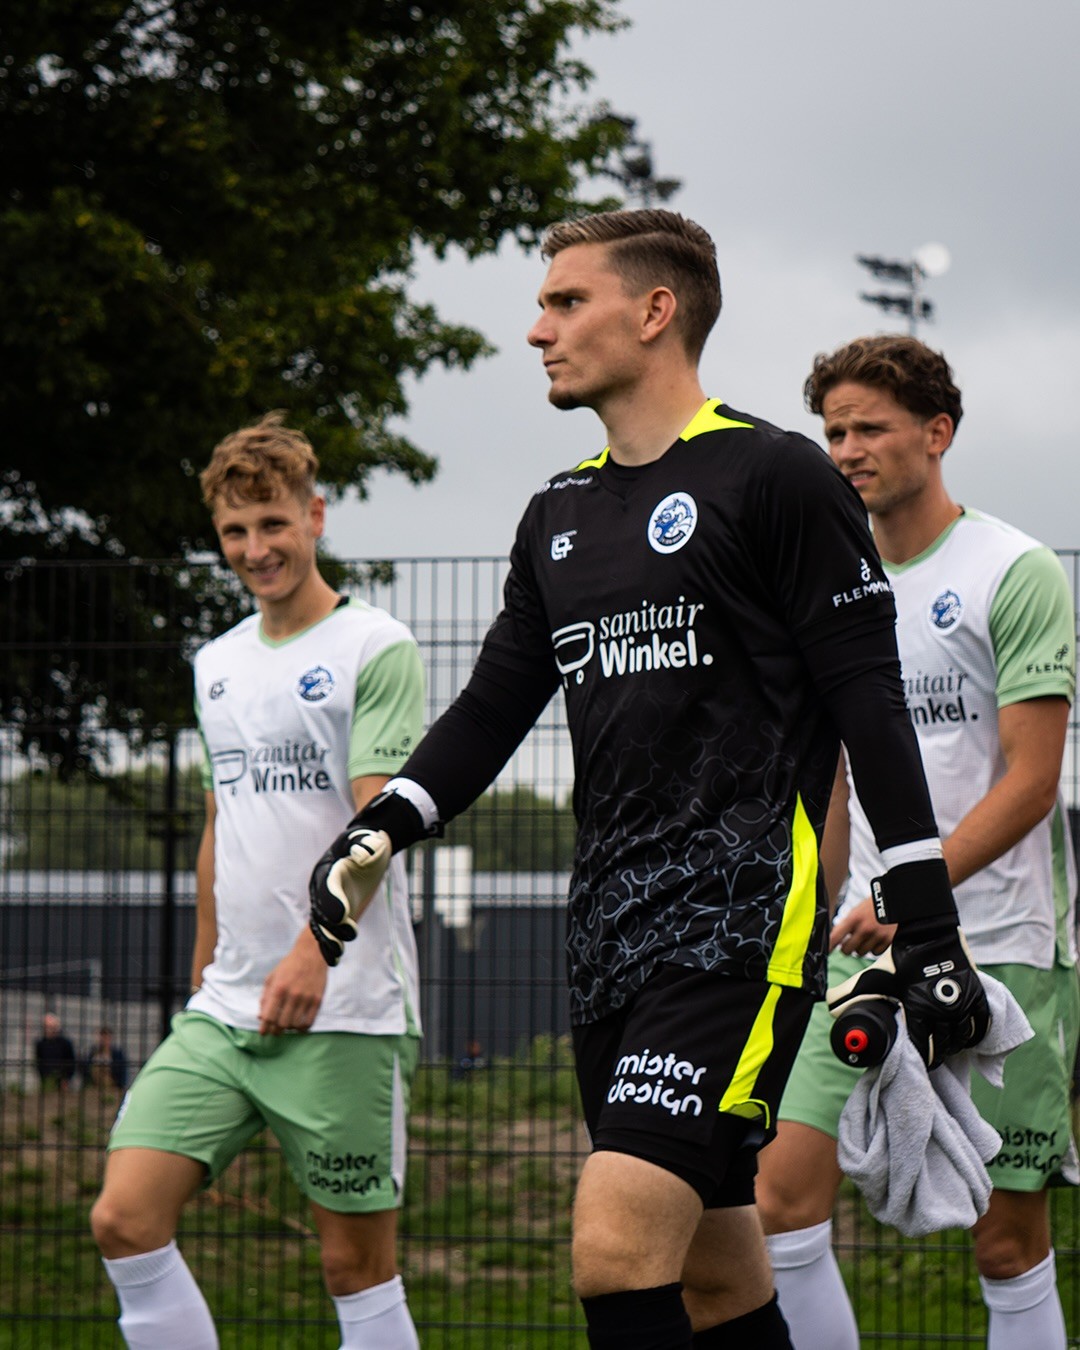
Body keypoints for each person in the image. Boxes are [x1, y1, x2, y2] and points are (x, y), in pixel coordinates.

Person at [307, 210, 990, 1350]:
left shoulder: (776, 475)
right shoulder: (558, 514)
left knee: (617, 1250)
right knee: (719, 1277)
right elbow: (491, 709)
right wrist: (379, 827)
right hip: (606, 936)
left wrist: (928, 927)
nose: (538, 331)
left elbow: (871, 705)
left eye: (566, 301)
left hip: (739, 926)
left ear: (655, 312)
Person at [756, 335, 1078, 1350]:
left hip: (1000, 950)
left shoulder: (1013, 570)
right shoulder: (828, 588)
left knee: (1005, 1242)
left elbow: (1032, 782)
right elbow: (835, 781)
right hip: (858, 954)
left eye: (870, 428)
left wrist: (904, 895)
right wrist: (816, 914)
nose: (847, 450)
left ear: (937, 434)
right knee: (779, 1206)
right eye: (833, 431)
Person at [90, 413, 426, 1350]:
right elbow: (220, 829)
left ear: (315, 516)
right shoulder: (217, 663)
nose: (255, 549)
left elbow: (378, 828)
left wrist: (315, 950)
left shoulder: (375, 647)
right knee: (124, 1218)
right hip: (225, 1010)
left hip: (344, 1007)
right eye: (235, 531)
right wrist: (204, 977)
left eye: (273, 523)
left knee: (355, 1268)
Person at [35, 1011, 77, 1091]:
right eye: (46, 1027)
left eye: (51, 1027)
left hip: (62, 1081)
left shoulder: (65, 1043)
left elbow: (71, 1062)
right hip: (46, 1080)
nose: (48, 1030)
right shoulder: (40, 1043)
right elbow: (39, 1062)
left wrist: (66, 1079)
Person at [84, 1025, 129, 1092]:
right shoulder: (93, 1053)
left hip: (113, 1086)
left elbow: (122, 1071)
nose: (104, 1040)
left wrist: (120, 1086)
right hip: (95, 1086)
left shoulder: (117, 1054)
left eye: (107, 1038)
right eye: (103, 1037)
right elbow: (87, 1069)